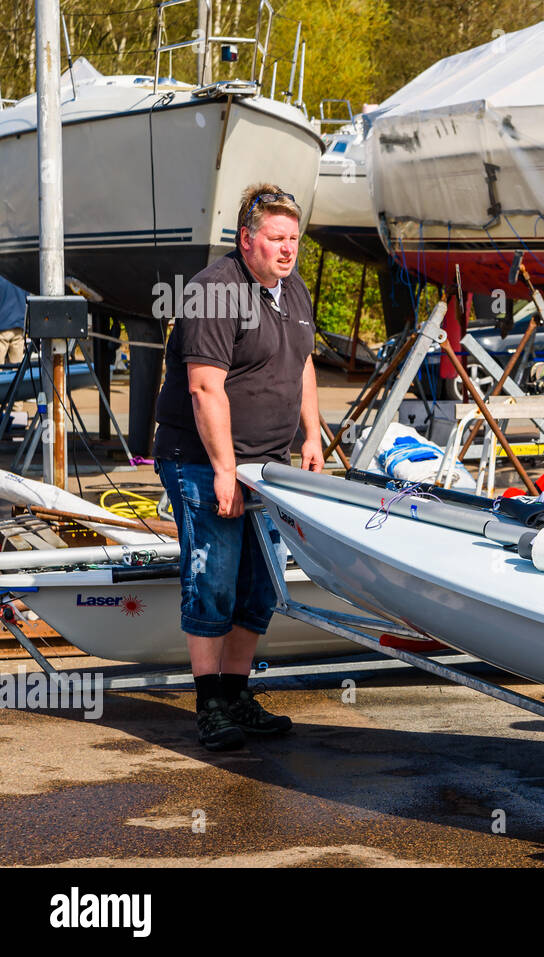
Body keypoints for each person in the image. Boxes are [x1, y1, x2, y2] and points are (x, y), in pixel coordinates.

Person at [153, 183, 323, 751]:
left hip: (268, 467)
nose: (287, 249)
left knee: (259, 587)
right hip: (203, 463)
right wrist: (225, 470)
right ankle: (209, 705)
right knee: (213, 582)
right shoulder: (212, 292)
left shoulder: (291, 290)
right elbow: (205, 388)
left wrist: (312, 435)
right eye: (276, 238)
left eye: (294, 239)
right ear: (246, 240)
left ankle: (236, 692)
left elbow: (302, 368)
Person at [0, 274, 29, 365]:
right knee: (17, 370)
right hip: (19, 328)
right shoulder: (21, 278)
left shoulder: (2, 277)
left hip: (2, 327)